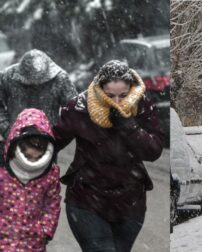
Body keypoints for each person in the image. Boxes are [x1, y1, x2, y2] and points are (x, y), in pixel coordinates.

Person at [53, 60, 164, 251]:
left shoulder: (142, 105)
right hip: (86, 201)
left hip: (130, 203)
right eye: (110, 95)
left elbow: (153, 151)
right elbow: (53, 141)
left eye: (123, 95)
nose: (117, 102)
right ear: (99, 89)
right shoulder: (80, 107)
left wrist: (127, 125)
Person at [0, 108, 61, 251]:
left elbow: (52, 203)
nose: (32, 161)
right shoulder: (3, 170)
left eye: (37, 157)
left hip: (33, 243)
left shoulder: (50, 173)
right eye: (28, 156)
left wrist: (46, 230)